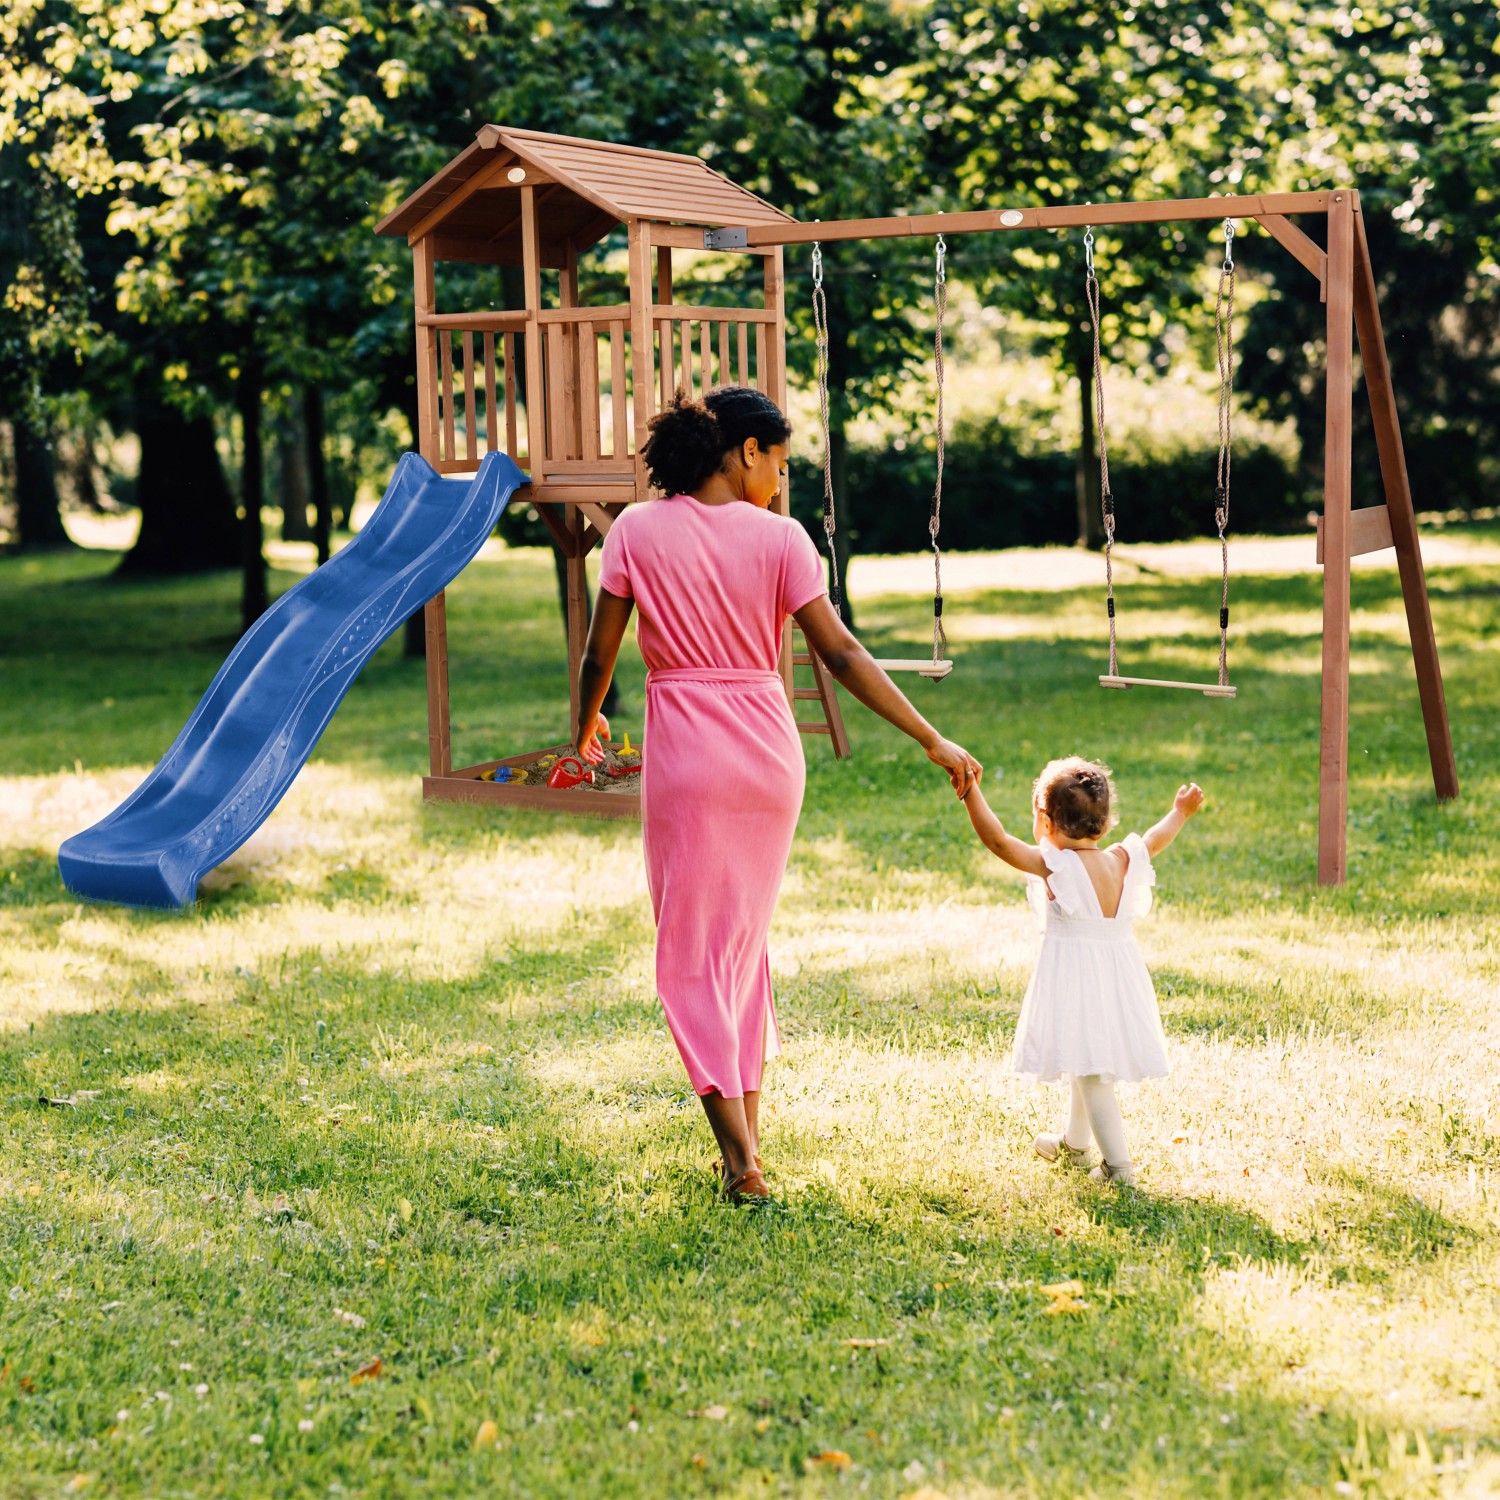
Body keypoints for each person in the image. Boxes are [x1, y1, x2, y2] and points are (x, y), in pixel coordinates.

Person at [575, 386, 981, 1203]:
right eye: (781, 464)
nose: (782, 483)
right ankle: (748, 1146)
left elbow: (599, 654)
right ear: (745, 451)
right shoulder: (784, 540)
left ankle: (740, 1162)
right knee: (739, 950)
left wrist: (582, 728)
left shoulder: (636, 531)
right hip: (767, 754)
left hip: (688, 753)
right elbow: (841, 655)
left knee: (692, 955)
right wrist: (929, 736)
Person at [958, 756, 1204, 1186]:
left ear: (1046, 821)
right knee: (1082, 1058)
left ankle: (1118, 1168)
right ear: (1105, 824)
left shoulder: (1056, 866)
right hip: (1117, 979)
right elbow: (1155, 838)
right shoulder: (1122, 859)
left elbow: (997, 841)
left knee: (1091, 1074)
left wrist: (970, 791)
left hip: (1078, 981)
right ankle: (1074, 1146)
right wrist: (1179, 812)